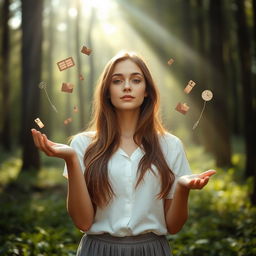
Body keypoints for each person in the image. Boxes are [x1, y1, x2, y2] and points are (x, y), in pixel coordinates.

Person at [31, 51, 216, 256]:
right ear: (107, 91)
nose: (127, 86)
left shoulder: (171, 146)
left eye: (136, 80)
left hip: (152, 250)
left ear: (147, 91)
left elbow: (174, 226)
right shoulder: (82, 144)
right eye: (117, 81)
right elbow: (83, 222)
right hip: (98, 250)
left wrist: (182, 188)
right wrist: (71, 158)